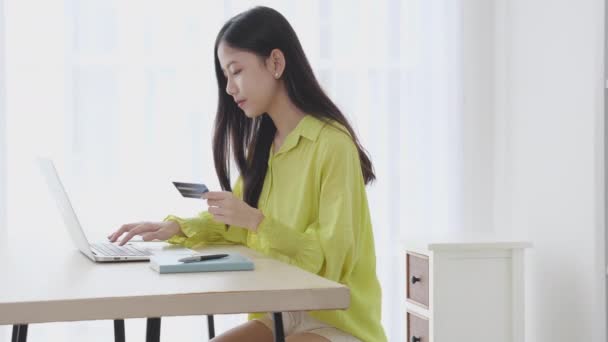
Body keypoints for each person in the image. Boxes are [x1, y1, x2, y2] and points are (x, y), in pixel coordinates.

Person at [107, 6, 387, 342]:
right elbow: (236, 225)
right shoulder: (265, 147)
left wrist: (257, 222)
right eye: (225, 75)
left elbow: (332, 262)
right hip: (279, 316)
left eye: (236, 71)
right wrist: (177, 227)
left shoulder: (332, 144)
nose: (228, 88)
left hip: (339, 323)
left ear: (276, 63)